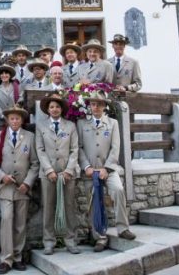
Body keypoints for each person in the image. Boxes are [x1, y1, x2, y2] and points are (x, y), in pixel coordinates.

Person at [78, 91, 135, 250]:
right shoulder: (82, 124)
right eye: (93, 104)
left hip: (109, 169)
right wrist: (86, 167)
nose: (96, 107)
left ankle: (123, 228)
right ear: (89, 106)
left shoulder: (112, 123)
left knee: (118, 190)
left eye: (99, 104)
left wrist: (107, 168)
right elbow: (79, 148)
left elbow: (116, 147)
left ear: (104, 106)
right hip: (90, 170)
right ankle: (99, 236)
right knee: (93, 200)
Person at [0, 105, 38, 273]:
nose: (15, 121)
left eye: (18, 118)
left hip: (22, 188)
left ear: (22, 120)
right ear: (7, 120)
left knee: (20, 224)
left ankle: (17, 257)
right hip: (5, 187)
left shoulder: (30, 137)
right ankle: (6, 258)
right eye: (12, 118)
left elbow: (34, 163)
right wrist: (2, 176)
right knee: (7, 219)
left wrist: (28, 182)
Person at [35, 94, 81, 255]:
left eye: (57, 107)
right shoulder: (41, 126)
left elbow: (75, 149)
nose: (54, 109)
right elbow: (39, 150)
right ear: (48, 110)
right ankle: (49, 241)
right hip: (48, 174)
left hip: (68, 174)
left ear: (62, 109)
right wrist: (49, 170)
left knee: (69, 206)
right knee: (48, 206)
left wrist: (69, 170)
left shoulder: (70, 126)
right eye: (51, 107)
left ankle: (71, 240)